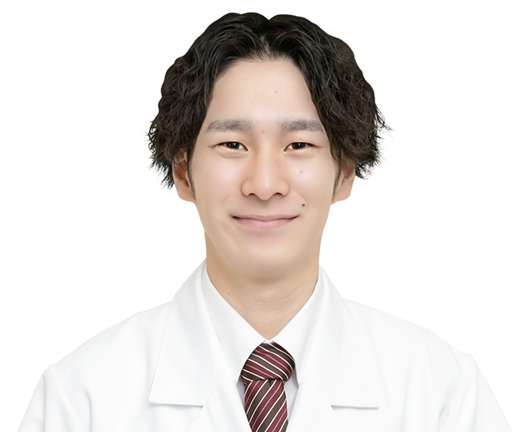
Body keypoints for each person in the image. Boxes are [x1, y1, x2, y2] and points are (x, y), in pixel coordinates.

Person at [19, 7, 512, 432]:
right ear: (184, 171)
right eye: (232, 144)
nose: (265, 183)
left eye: (298, 144)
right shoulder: (83, 398)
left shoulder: (441, 394)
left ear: (344, 173)